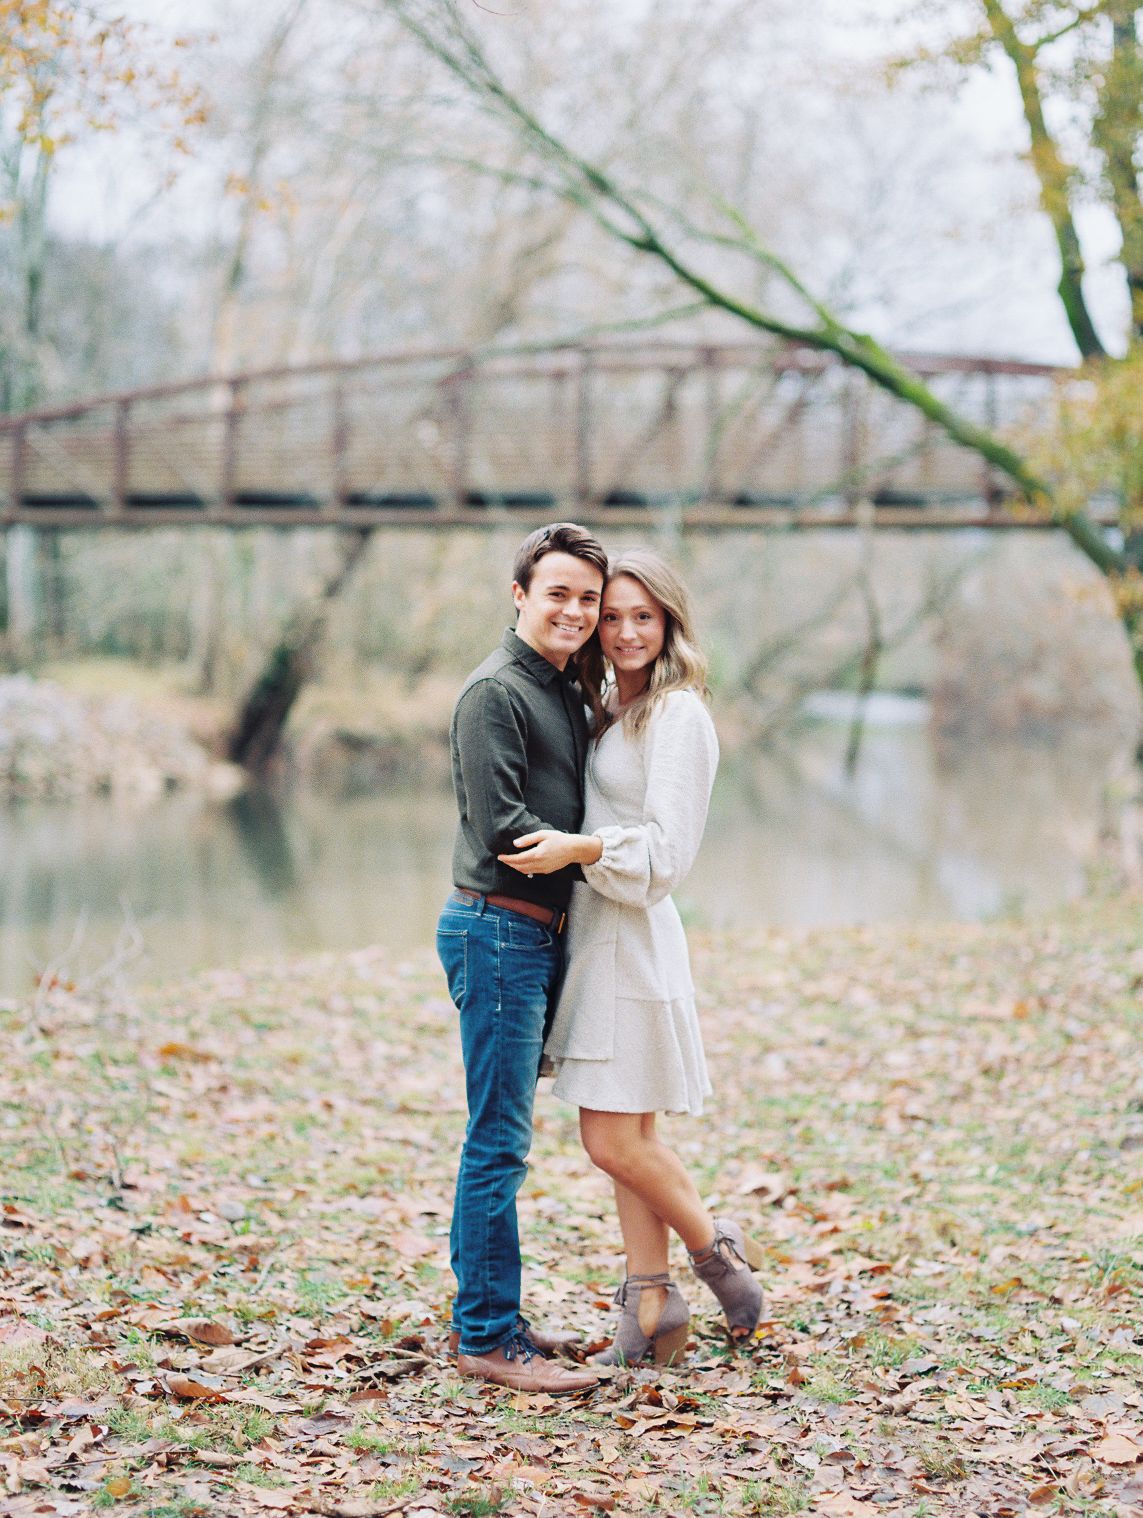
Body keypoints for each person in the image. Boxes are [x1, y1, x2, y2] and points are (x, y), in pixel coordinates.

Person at [498, 547, 763, 1366]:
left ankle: (720, 1261)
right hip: (598, 935)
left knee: (611, 1141)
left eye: (641, 616)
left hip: (630, 939)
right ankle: (649, 1313)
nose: (621, 631)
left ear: (670, 622)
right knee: (628, 1133)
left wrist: (579, 847)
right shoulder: (614, 704)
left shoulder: (678, 713)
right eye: (610, 616)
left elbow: (667, 851)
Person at [437, 522, 607, 1394]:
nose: (573, 611)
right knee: (496, 1143)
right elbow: (507, 833)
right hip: (496, 928)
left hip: (530, 934)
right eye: (557, 593)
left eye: (587, 598)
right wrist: (600, 848)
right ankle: (486, 1339)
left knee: (500, 1139)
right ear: (519, 595)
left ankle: (494, 1315)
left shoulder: (560, 689)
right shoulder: (493, 692)